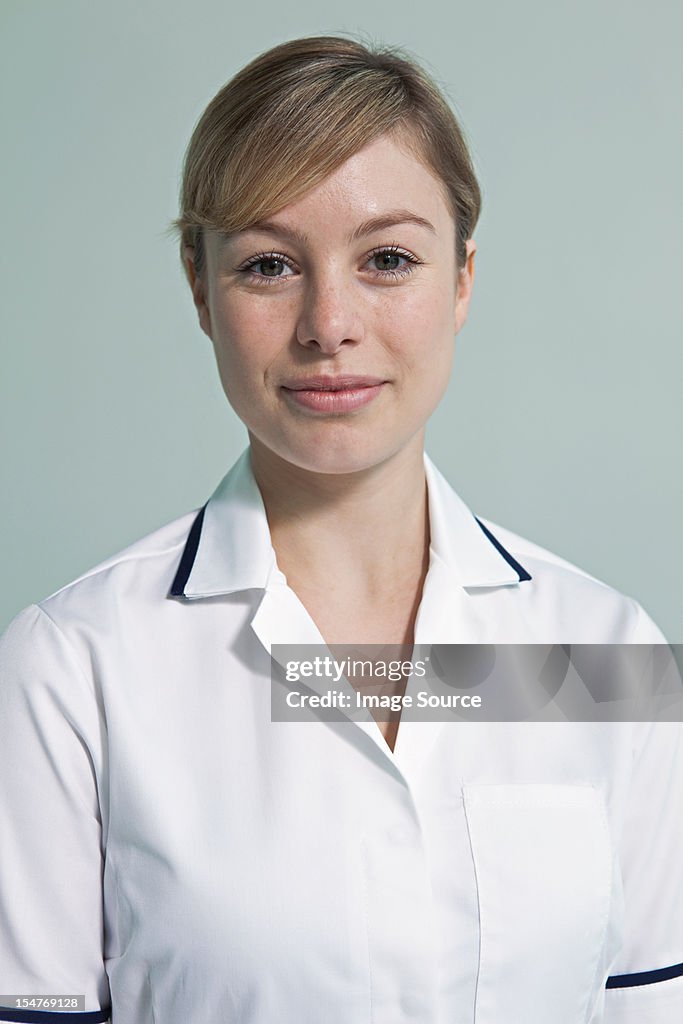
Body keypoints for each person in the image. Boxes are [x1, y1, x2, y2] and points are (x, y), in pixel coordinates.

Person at [0, 34, 681, 1024]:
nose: (329, 322)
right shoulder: (72, 670)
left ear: (460, 279)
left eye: (388, 259)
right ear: (199, 287)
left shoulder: (604, 650)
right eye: (270, 264)